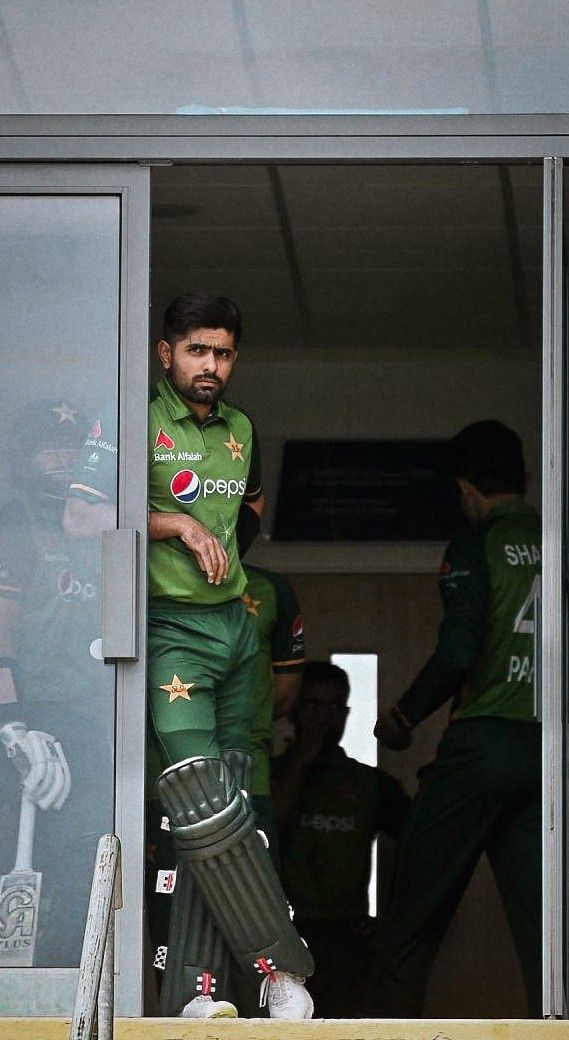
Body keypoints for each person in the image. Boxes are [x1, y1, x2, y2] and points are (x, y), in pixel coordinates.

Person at [147, 291, 314, 1021]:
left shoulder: (241, 426)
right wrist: (178, 526)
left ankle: (198, 992)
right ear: (166, 354)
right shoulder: (136, 417)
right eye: (196, 351)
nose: (210, 366)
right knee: (199, 801)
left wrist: (221, 557)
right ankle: (280, 968)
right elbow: (86, 514)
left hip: (234, 634)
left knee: (230, 806)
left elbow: (248, 508)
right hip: (167, 628)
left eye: (221, 353)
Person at [367, 420, 542, 1018]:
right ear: (524, 478)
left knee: (410, 920)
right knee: (546, 937)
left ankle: (389, 1030)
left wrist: (401, 717)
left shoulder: (475, 546)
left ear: (465, 489)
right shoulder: (555, 539)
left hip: (482, 746)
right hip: (545, 754)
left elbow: (458, 654)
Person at [0, 399, 115, 967]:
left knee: (82, 865)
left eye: (72, 452)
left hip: (94, 723)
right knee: (18, 864)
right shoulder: (14, 529)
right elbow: (2, 637)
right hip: (29, 721)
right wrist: (13, 725)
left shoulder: (99, 528)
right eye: (50, 450)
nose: (61, 463)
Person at [273, 661, 411, 1017]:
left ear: (347, 713)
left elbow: (422, 843)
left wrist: (390, 919)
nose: (324, 717)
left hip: (347, 936)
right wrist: (300, 762)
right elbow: (269, 830)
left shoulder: (367, 783)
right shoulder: (271, 777)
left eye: (335, 707)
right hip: (282, 933)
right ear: (295, 708)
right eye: (313, 705)